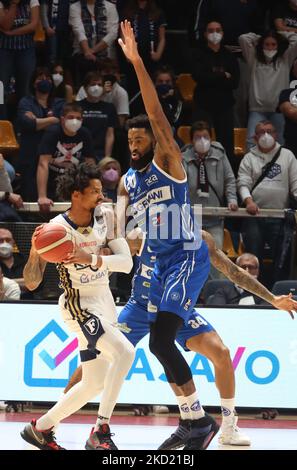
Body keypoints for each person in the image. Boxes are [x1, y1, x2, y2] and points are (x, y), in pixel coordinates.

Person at [64, 228, 297, 448]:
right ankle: (57, 413)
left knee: (222, 353)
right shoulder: (142, 236)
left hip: (176, 307)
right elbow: (107, 247)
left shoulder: (200, 239)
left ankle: (228, 426)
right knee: (97, 359)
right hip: (140, 306)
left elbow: (233, 271)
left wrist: (272, 298)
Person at [118, 20, 219, 450]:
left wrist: (138, 62)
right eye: (131, 140)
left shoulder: (168, 162)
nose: (136, 145)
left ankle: (200, 423)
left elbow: (157, 114)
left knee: (161, 339)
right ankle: (194, 420)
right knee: (159, 346)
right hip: (157, 263)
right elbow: (123, 214)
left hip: (186, 256)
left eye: (142, 139)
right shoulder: (128, 179)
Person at [21, 162, 135, 450]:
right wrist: (36, 254)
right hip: (78, 305)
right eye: (95, 191)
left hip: (105, 302)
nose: (101, 195)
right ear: (76, 195)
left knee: (94, 382)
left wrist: (93, 259)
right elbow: (32, 283)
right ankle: (101, 430)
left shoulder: (107, 216)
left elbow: (126, 263)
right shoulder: (56, 230)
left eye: (101, 190)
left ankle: (41, 428)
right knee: (125, 352)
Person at [237, 120, 297, 285]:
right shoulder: (248, 158)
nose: (266, 135)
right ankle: (254, 291)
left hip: (281, 216)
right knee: (254, 256)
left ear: (276, 134)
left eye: (269, 131)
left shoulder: (287, 155)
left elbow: (296, 184)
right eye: (261, 132)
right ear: (255, 137)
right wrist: (248, 201)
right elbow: (243, 183)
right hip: (255, 215)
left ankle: (280, 291)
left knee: (283, 258)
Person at [182, 120, 238, 271]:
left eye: (205, 136)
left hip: (215, 219)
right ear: (191, 140)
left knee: (216, 259)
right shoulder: (183, 159)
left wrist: (232, 199)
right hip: (192, 218)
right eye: (197, 137)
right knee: (191, 257)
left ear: (211, 138)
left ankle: (213, 290)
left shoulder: (220, 156)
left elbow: (229, 180)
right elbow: (179, 185)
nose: (202, 140)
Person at [191, 20, 240, 171]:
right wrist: (222, 75)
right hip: (203, 105)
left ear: (223, 33)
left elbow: (235, 82)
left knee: (226, 146)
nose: (214, 33)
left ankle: (227, 179)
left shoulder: (229, 56)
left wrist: (212, 76)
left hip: (224, 106)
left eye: (218, 30)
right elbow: (199, 77)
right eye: (211, 30)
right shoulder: (198, 54)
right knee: (201, 142)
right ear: (205, 34)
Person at [239, 29, 297, 149]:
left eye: (273, 44)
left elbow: (295, 40)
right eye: (266, 44)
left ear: (278, 45)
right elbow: (243, 38)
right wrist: (261, 36)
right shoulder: (253, 59)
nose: (270, 48)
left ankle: (279, 168)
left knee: (279, 144)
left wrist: (279, 33)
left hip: (278, 111)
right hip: (257, 110)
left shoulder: (285, 59)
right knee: (251, 142)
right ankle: (251, 168)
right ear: (261, 45)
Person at [37, 102, 95, 212]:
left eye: (78, 118)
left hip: (75, 183)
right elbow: (43, 163)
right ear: (62, 119)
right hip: (52, 181)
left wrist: (95, 193)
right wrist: (42, 196)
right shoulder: (52, 133)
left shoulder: (85, 134)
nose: (75, 121)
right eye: (71, 117)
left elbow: (90, 165)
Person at [17, 66, 64, 201]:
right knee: (30, 193)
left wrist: (38, 121)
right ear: (33, 83)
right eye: (40, 78)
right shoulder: (26, 102)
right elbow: (28, 124)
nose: (44, 81)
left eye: (47, 78)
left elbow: (61, 123)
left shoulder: (59, 103)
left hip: (54, 155)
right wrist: (51, 120)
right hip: (30, 153)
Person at [0, 0, 40, 119]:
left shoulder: (32, 1)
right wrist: (13, 4)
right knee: (2, 88)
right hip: (4, 50)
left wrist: (12, 33)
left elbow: (33, 25)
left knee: (25, 89)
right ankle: (2, 125)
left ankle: (23, 125)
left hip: (26, 50)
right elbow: (5, 25)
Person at [76, 71, 118, 161]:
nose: (96, 87)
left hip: (101, 153)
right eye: (93, 84)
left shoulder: (109, 107)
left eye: (99, 85)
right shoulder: (77, 106)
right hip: (80, 152)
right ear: (85, 87)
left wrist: (107, 158)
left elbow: (110, 134)